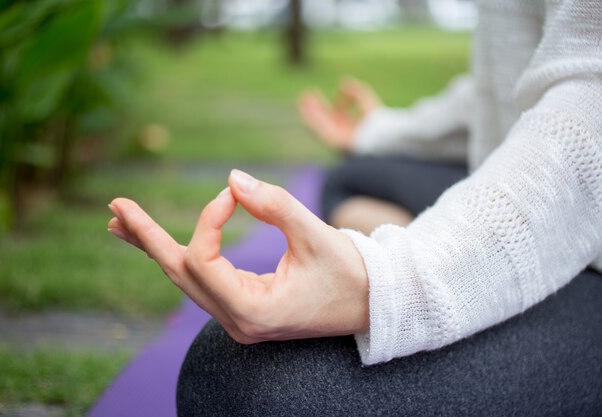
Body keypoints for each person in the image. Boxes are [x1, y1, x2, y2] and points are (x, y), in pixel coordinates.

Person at [107, 0, 602, 415]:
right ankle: (467, 255)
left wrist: (389, 282)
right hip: (534, 177)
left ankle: (469, 263)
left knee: (239, 381)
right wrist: (378, 132)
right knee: (350, 176)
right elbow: (512, 83)